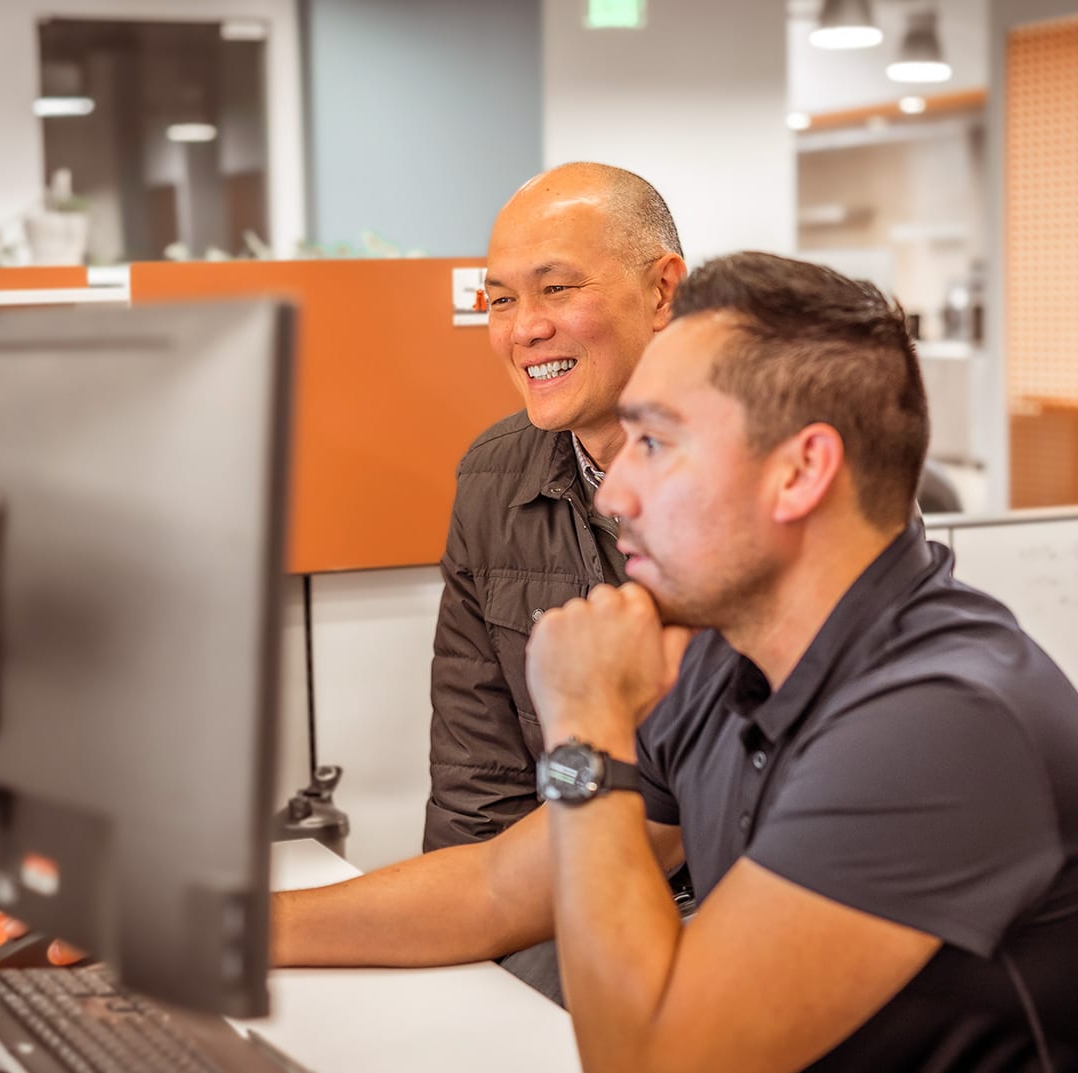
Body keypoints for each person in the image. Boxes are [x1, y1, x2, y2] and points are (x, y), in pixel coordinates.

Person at [273, 252, 1078, 1072]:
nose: (609, 495)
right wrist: (228, 929)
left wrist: (587, 724)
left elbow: (653, 1061)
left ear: (801, 471)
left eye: (655, 442)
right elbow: (494, 888)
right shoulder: (726, 662)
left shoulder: (941, 722)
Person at [425, 161, 686, 852]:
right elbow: (476, 796)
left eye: (556, 289)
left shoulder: (767, 478)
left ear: (662, 291)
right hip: (547, 898)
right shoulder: (493, 478)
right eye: (502, 300)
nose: (524, 330)